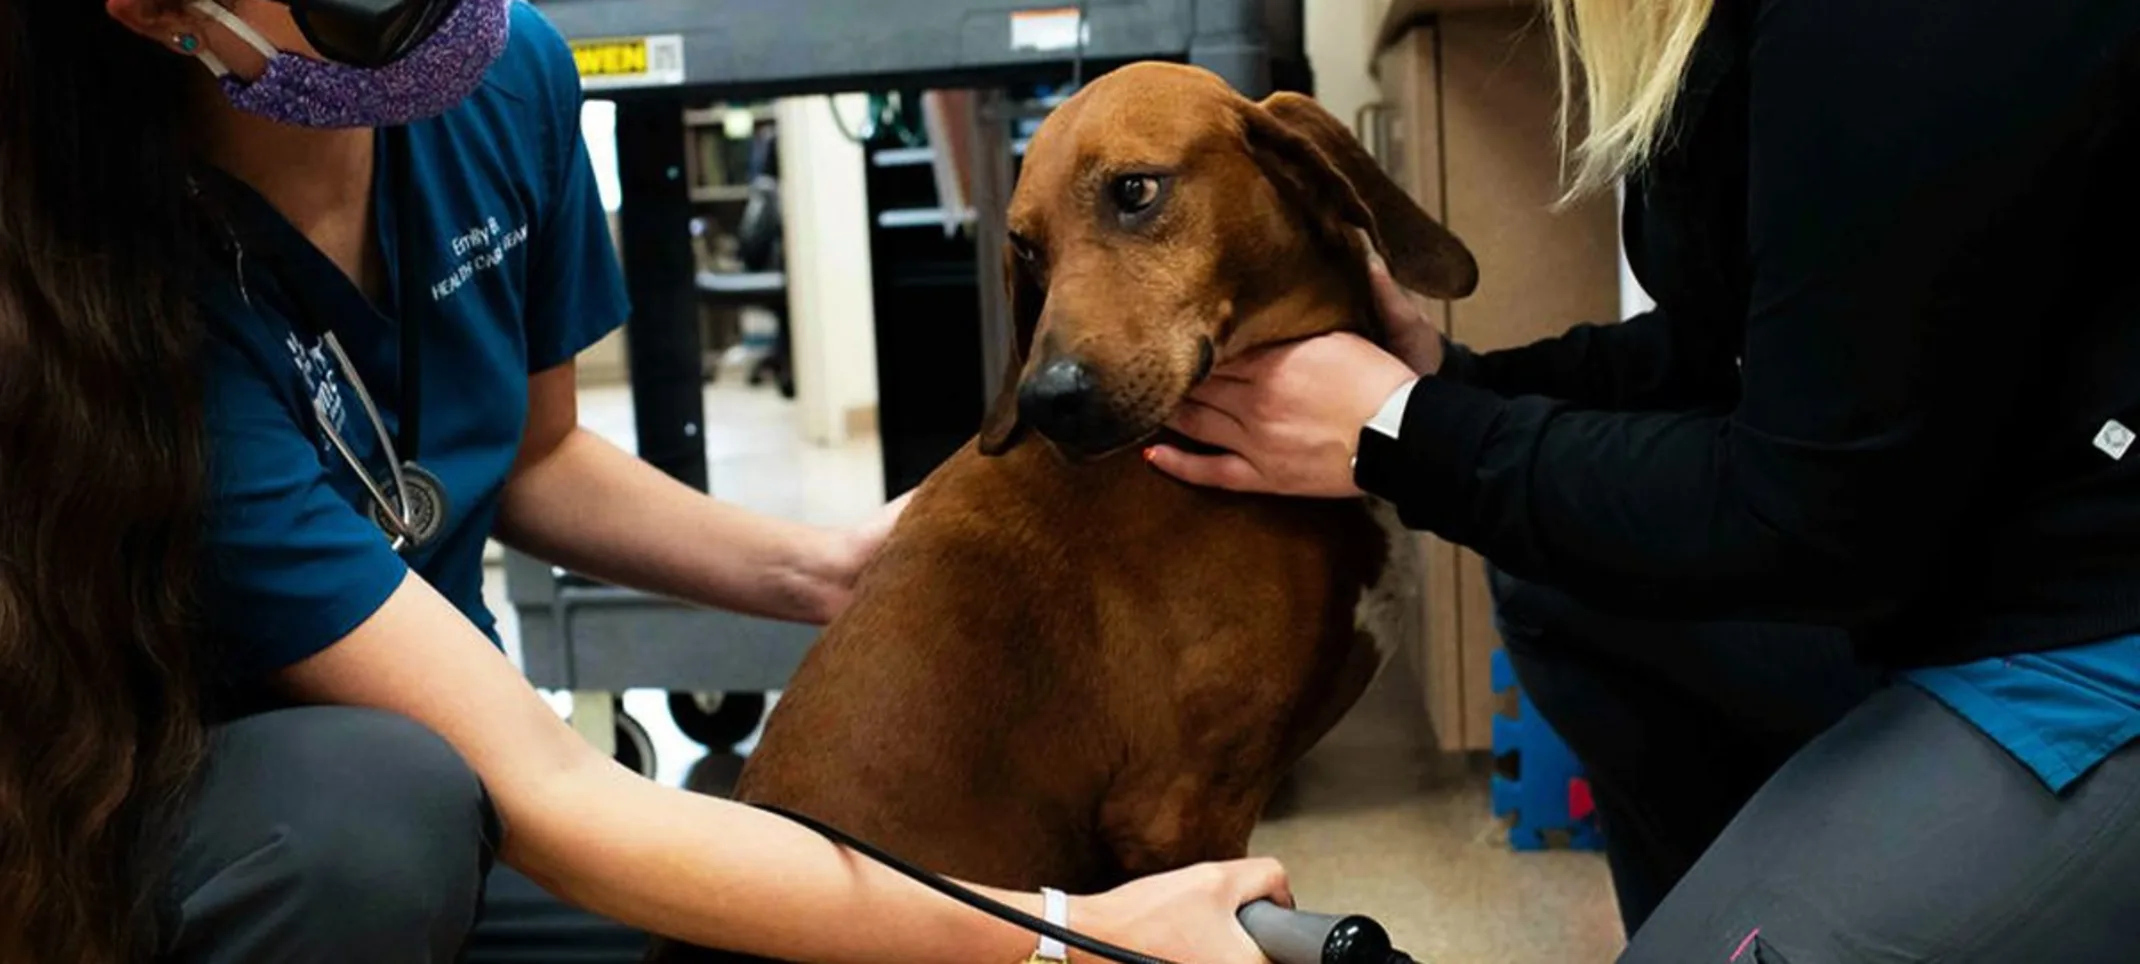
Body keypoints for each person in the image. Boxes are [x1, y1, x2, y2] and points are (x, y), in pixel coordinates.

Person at [0, 1, 1291, 962]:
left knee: (725, 934)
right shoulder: (123, 291)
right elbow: (551, 794)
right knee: (373, 818)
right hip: (179, 805)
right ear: (163, 14)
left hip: (451, 775)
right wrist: (1072, 934)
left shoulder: (506, 86)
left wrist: (829, 567)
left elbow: (531, 450)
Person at [1150, 0, 2140, 960]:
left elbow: (1809, 515)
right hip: (1957, 549)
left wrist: (1410, 435)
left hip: (2091, 632)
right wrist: (1451, 389)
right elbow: (1764, 347)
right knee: (1558, 579)